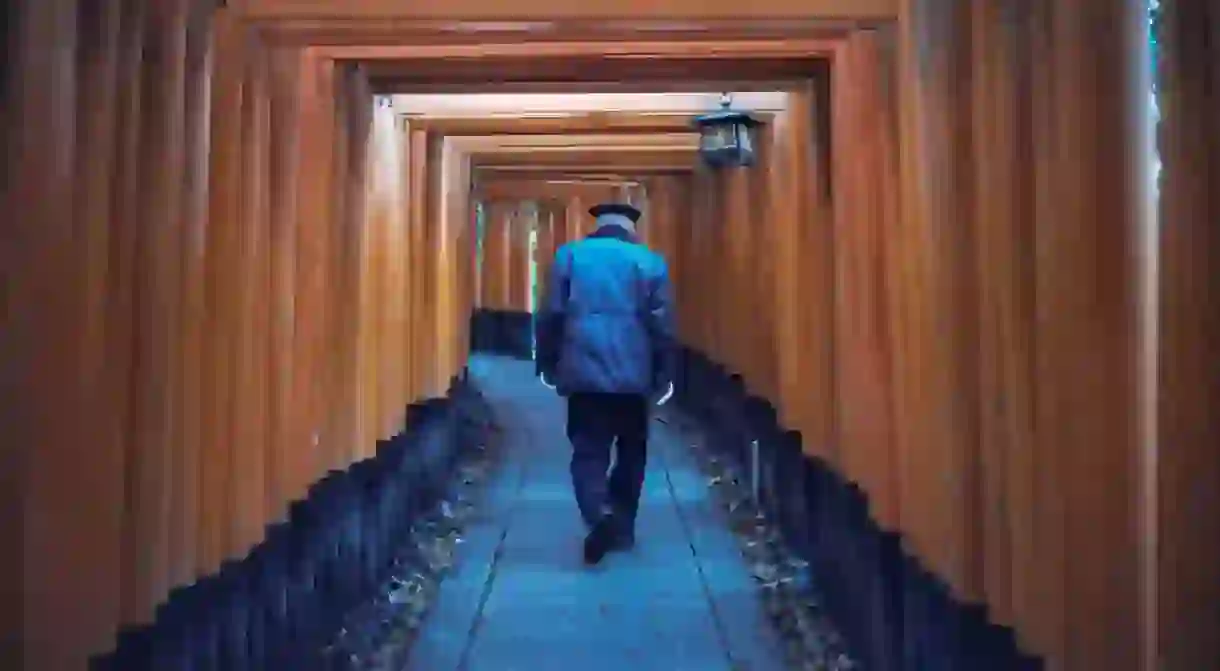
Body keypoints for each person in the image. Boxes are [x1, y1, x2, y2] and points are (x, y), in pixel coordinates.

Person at [535, 201, 676, 565]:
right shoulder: (650, 263)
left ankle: (597, 513)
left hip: (583, 373)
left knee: (588, 448)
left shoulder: (570, 257)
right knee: (632, 449)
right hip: (634, 377)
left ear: (596, 225)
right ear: (632, 229)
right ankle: (623, 523)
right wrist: (664, 373)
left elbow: (551, 314)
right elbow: (661, 326)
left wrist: (547, 361)